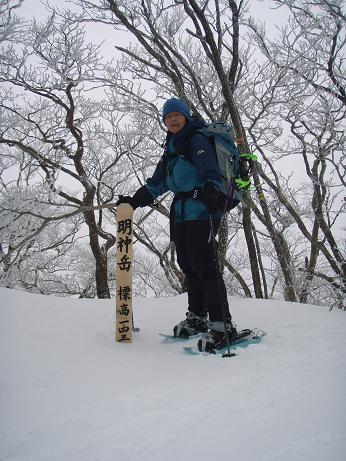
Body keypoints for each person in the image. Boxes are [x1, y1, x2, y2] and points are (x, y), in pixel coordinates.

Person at [117, 97, 237, 352]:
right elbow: (158, 183)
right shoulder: (172, 147)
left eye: (177, 115)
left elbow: (209, 172)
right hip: (181, 214)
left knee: (206, 266)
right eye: (168, 116)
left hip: (201, 212)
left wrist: (211, 190)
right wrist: (135, 200)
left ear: (185, 116)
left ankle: (221, 325)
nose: (172, 119)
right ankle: (197, 316)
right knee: (188, 265)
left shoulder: (196, 139)